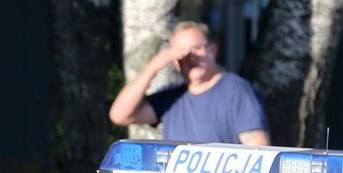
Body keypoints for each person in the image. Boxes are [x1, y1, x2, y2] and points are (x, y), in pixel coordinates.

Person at [109, 21, 270, 145]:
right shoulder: (172, 98)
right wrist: (152, 68)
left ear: (212, 50)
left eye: (197, 49)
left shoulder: (237, 91)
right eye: (183, 54)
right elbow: (120, 115)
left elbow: (258, 152)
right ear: (175, 61)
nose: (191, 58)